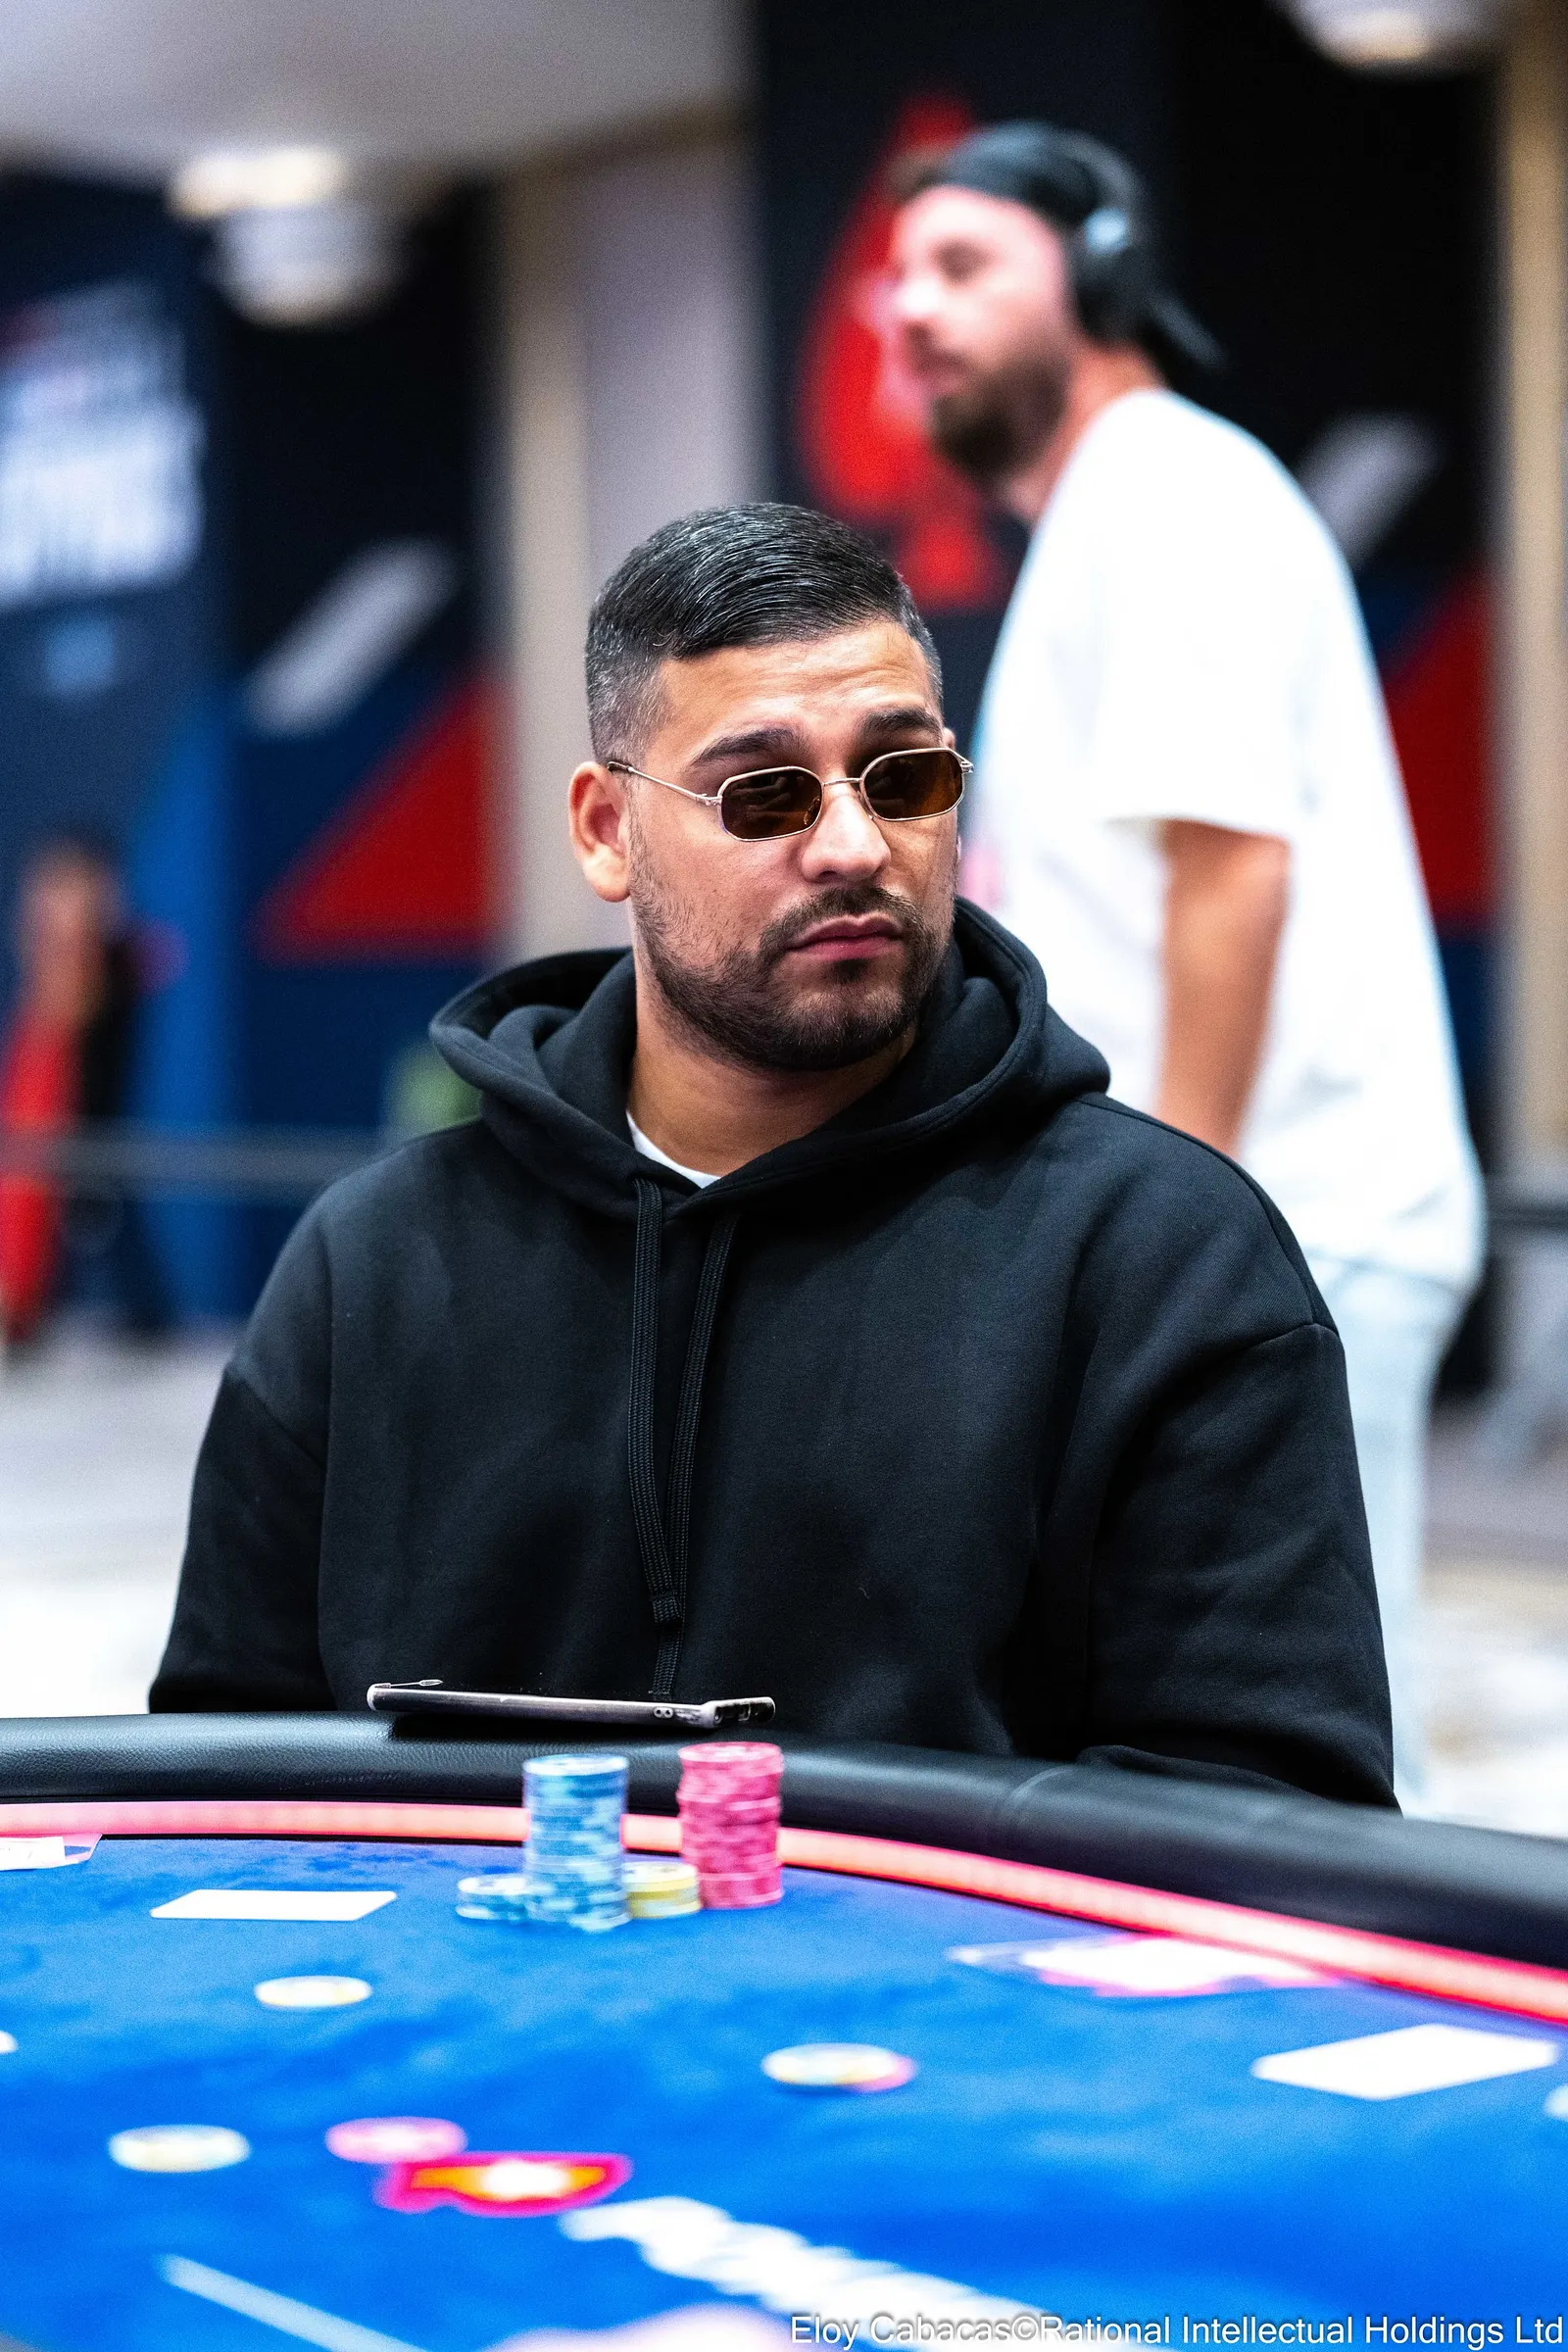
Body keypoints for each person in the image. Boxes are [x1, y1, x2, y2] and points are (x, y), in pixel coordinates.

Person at [152, 502, 1393, 1808]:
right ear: (605, 830)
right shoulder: (370, 1270)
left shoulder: (1165, 1261)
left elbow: (1262, 1819)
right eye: (765, 793)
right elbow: (221, 1792)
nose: (855, 845)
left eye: (903, 777)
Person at [889, 124, 1482, 1801]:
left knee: (1314, 1767)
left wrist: (1178, 1237)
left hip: (1285, 1222)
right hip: (1235, 1230)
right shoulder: (1110, 515)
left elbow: (1231, 877)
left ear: (1101, 278)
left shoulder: (1165, 492)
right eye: (899, 282)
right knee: (1216, 1745)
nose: (912, 313)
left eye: (963, 266)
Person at [0, 832, 169, 1349]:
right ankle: (31, 1311)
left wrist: (68, 940)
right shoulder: (63, 960)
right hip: (53, 1110)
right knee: (58, 1213)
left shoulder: (112, 958)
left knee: (99, 1209)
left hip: (95, 1111)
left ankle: (146, 1313)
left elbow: (80, 1008)